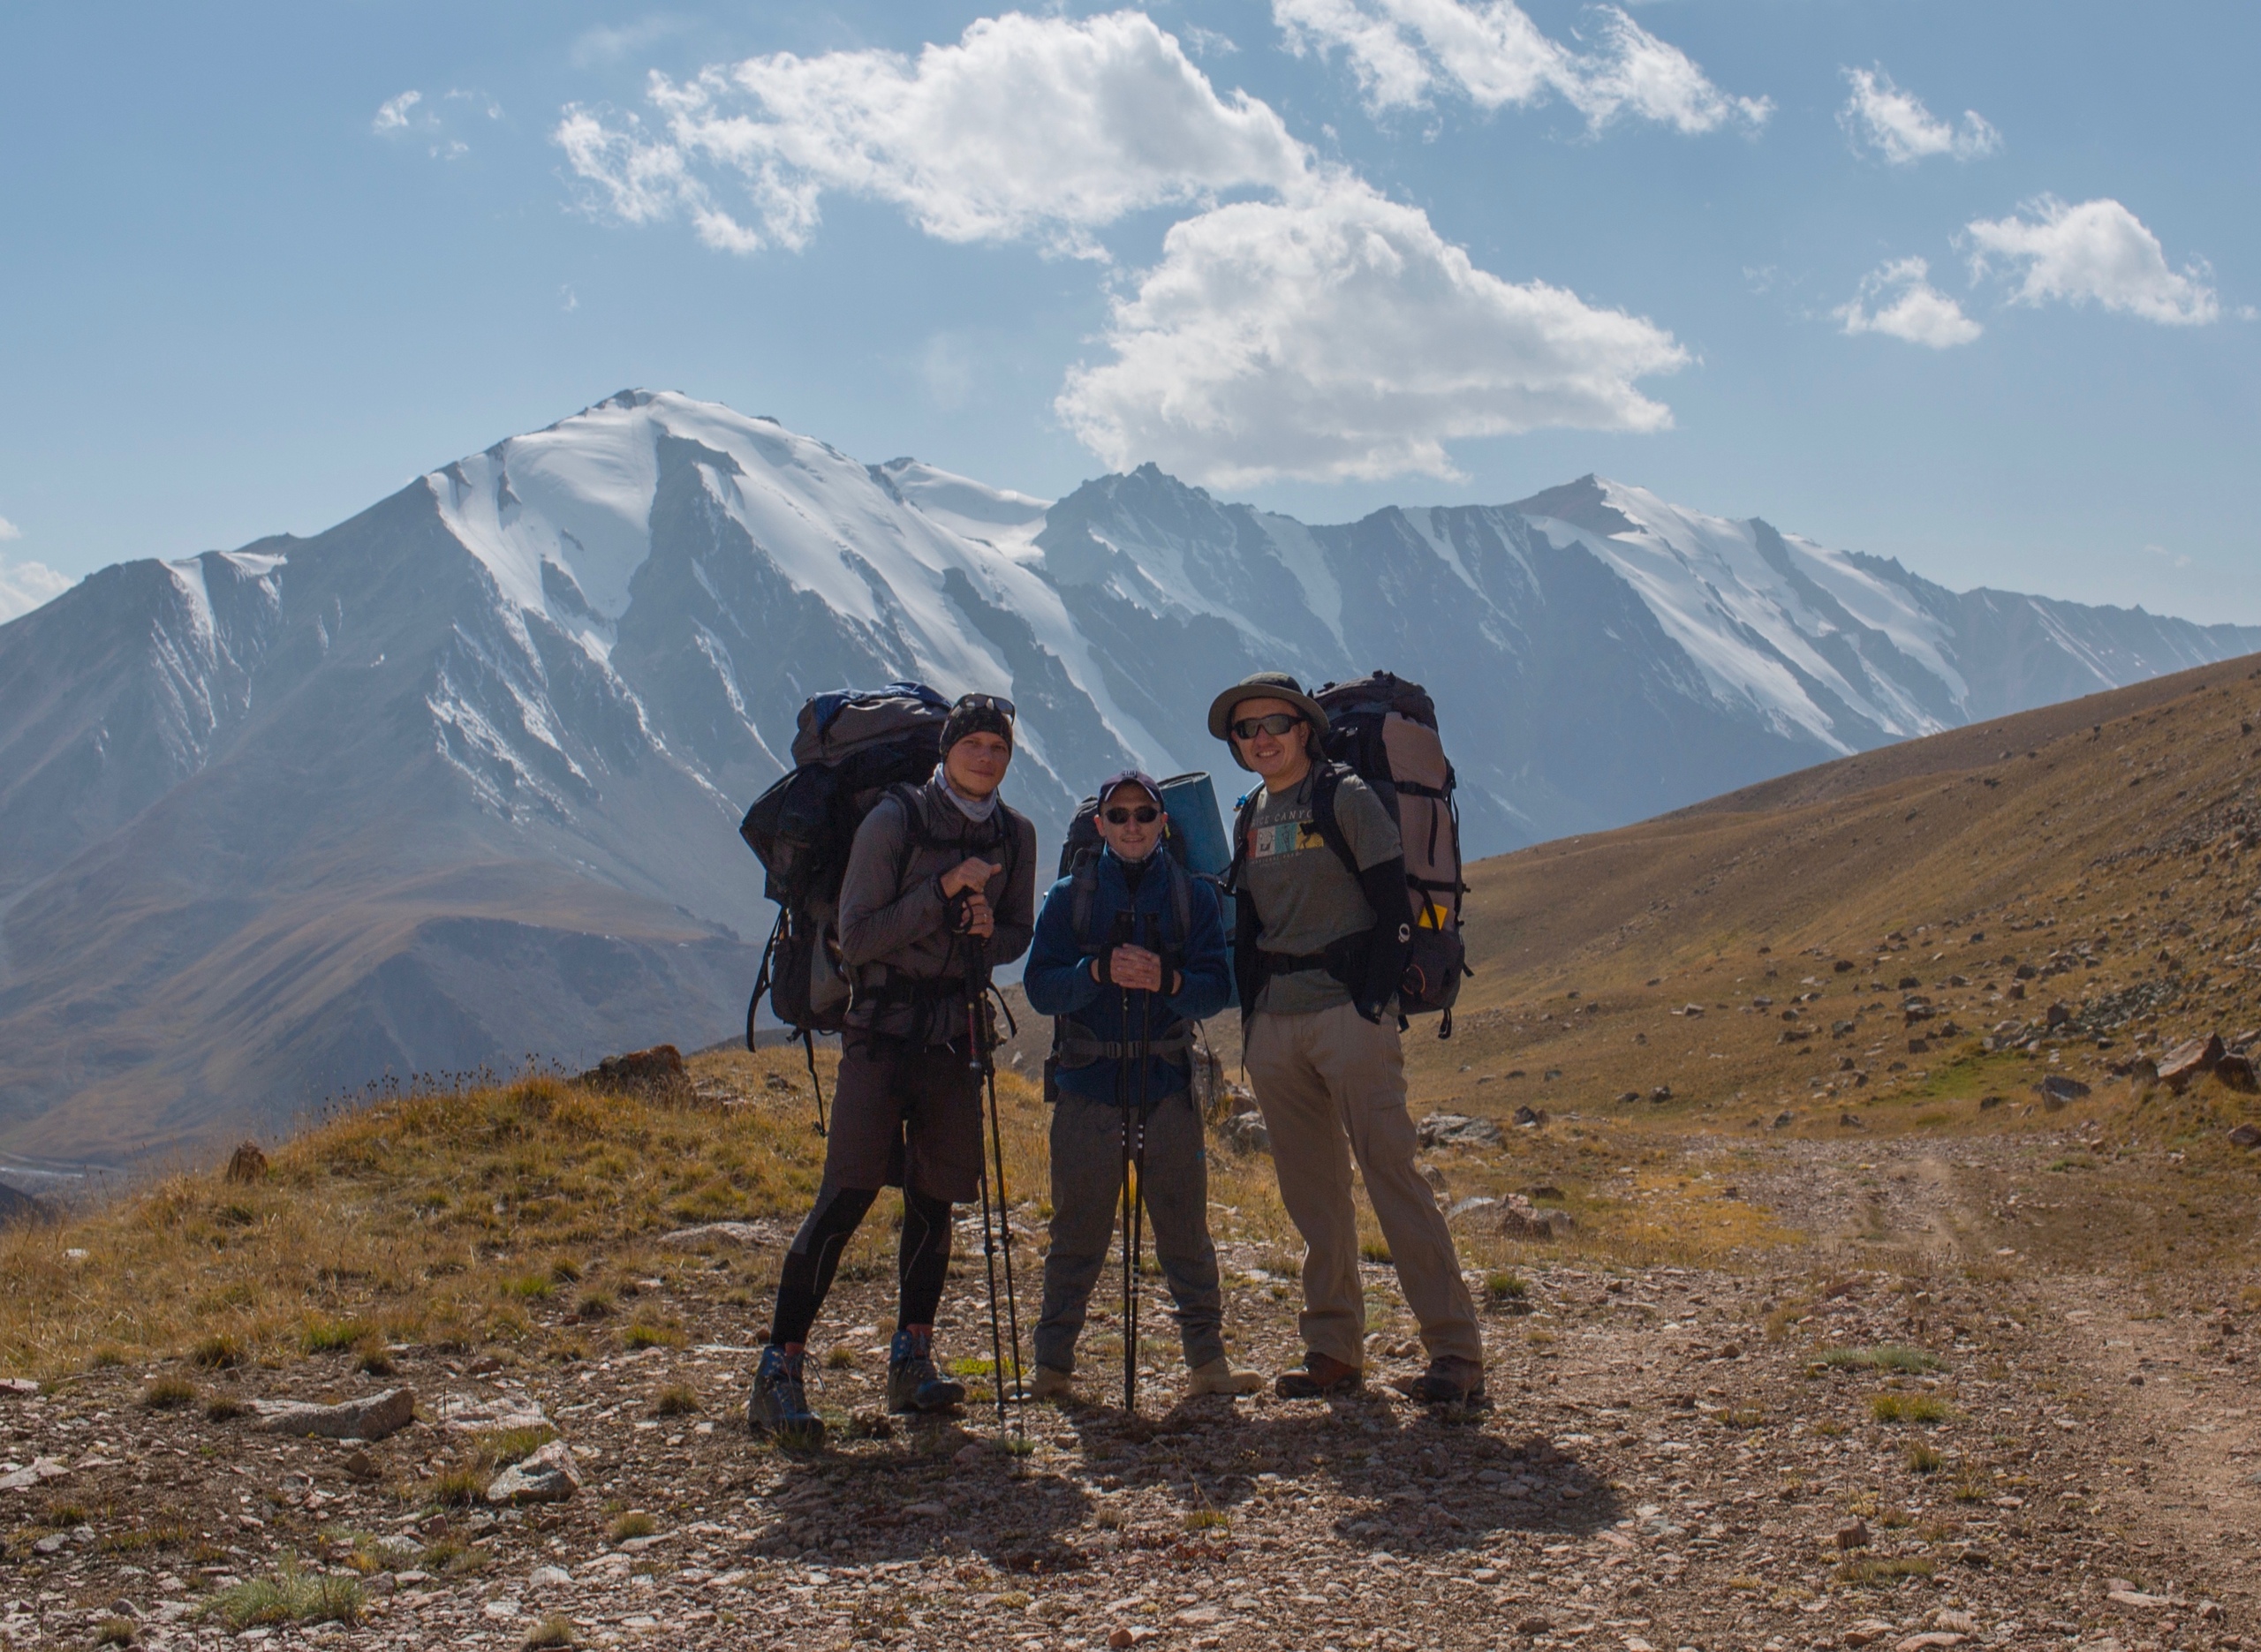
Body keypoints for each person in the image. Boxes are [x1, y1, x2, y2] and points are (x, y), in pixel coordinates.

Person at [749, 693, 1039, 1447]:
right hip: (879, 1031)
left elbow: (1016, 933)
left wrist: (986, 927)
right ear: (945, 750)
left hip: (951, 1035)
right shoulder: (893, 821)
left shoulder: (1016, 833)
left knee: (934, 1199)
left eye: (997, 747)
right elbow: (860, 932)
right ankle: (778, 1371)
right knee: (845, 1194)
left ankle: (912, 1358)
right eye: (972, 743)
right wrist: (943, 896)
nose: (985, 756)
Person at [1208, 672, 1486, 1405]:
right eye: (1246, 730)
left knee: (1392, 1177)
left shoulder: (1347, 797)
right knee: (1313, 1197)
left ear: (1305, 728)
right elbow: (1248, 927)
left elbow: (1395, 908)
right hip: (1277, 1025)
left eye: (1274, 723)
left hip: (1347, 1019)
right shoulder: (1250, 816)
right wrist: (1252, 1026)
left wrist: (1371, 1002)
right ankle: (1332, 1346)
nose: (1261, 738)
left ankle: (1455, 1353)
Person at [1022, 771, 1264, 1402]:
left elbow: (1217, 988)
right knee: (1076, 1233)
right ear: (1099, 823)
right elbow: (1041, 987)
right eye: (1119, 814)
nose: (1131, 825)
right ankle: (1052, 1367)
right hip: (1088, 1089)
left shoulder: (1194, 898)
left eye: (1143, 814)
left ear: (1163, 823)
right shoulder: (1066, 899)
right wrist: (1098, 971)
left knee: (1185, 1232)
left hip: (1164, 1088)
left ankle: (1206, 1363)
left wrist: (1170, 982)